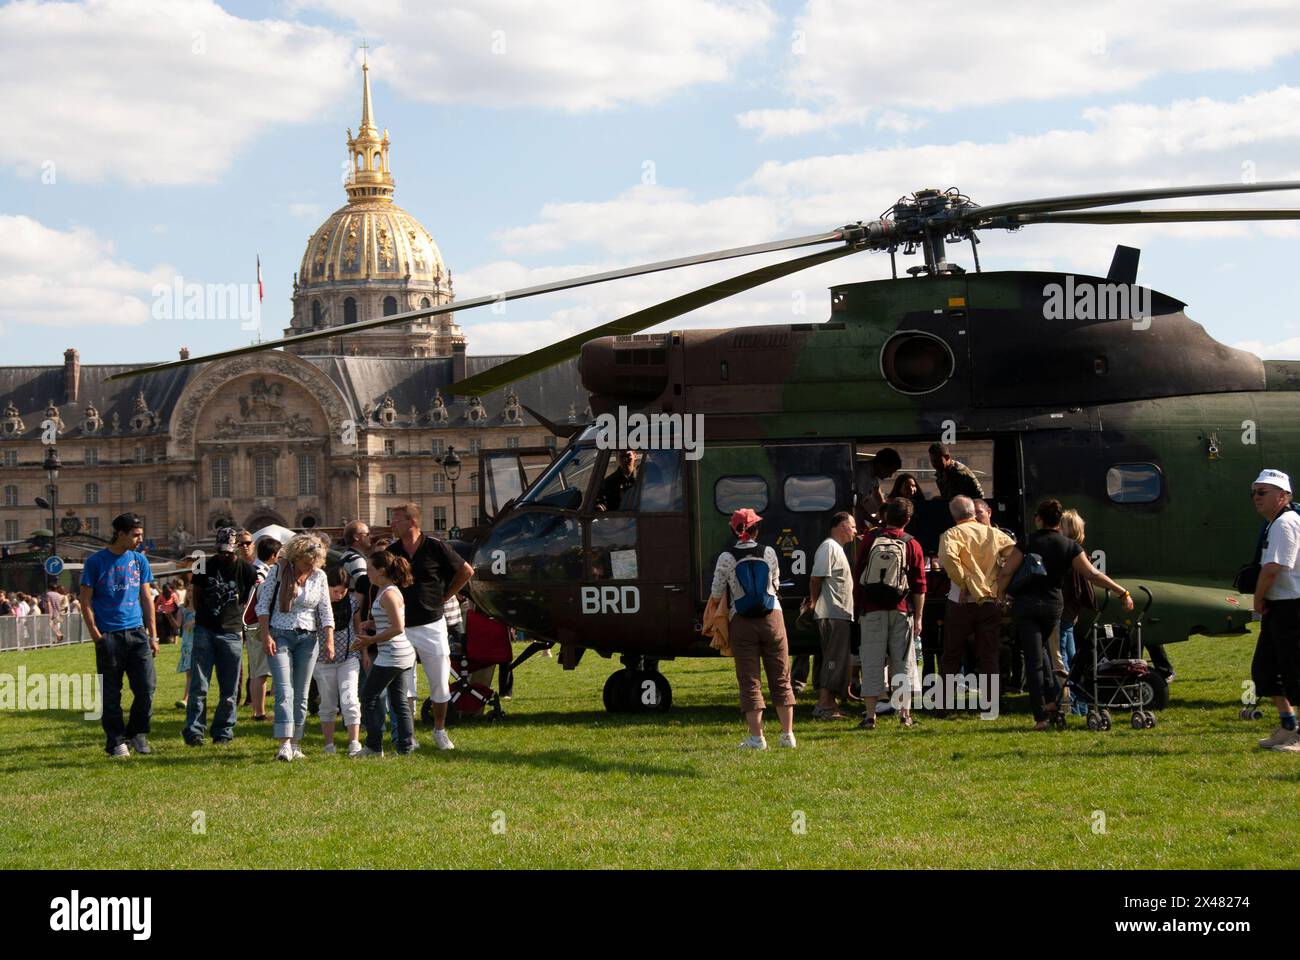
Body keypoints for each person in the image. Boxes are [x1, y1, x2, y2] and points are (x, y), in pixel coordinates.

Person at [1000, 499, 1133, 730]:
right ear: (1059, 520)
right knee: (1045, 654)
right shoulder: (1070, 546)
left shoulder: (1028, 541)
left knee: (1034, 660)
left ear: (1038, 519)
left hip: (1027, 605)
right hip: (1053, 606)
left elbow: (1007, 571)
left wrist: (999, 596)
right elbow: (1092, 575)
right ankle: (1053, 703)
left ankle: (1041, 716)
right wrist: (1122, 592)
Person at [386, 502, 474, 751]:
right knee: (405, 684)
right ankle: (408, 734)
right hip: (401, 626)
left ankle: (439, 729)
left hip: (432, 623)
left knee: (439, 681)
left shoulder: (436, 547)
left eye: (397, 519)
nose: (393, 524)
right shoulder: (393, 551)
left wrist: (447, 595)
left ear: (412, 522)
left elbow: (466, 571)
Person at [709, 507, 796, 749]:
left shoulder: (726, 557)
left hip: (742, 620)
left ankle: (757, 738)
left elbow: (716, 592)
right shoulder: (768, 552)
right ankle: (788, 735)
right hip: (773, 617)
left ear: (733, 530)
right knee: (781, 676)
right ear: (756, 529)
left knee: (749, 680)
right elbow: (776, 583)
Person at [79, 513, 158, 758]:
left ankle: (137, 733)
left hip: (137, 633)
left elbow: (146, 598)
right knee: (111, 692)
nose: (139, 540)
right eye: (135, 535)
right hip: (109, 635)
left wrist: (153, 634)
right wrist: (96, 634)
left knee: (146, 687)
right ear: (120, 534)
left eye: (141, 535)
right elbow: (85, 600)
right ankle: (115, 741)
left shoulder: (139, 561)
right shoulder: (95, 563)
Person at [257, 533, 333, 762]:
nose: (309, 566)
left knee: (301, 693)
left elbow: (325, 610)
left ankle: (297, 742)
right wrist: (266, 635)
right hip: (280, 634)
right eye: (305, 562)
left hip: (308, 639)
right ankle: (284, 743)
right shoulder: (277, 572)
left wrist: (328, 639)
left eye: (314, 562)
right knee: (283, 689)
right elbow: (263, 606)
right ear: (295, 557)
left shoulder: (319, 576)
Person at [937, 496, 1014, 712]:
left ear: (953, 515)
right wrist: (1001, 585)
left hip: (960, 601)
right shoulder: (996, 534)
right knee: (989, 653)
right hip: (990, 600)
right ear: (973, 512)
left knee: (952, 652)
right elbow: (1014, 557)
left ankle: (944, 703)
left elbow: (949, 559)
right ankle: (991, 703)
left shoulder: (951, 534)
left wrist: (963, 582)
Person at [855, 497, 926, 728]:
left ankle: (870, 716)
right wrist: (919, 618)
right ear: (908, 519)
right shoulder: (912, 543)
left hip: (872, 609)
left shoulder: (870, 539)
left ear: (885, 516)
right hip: (901, 609)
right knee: (903, 660)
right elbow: (919, 584)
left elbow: (859, 575)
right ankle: (905, 714)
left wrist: (860, 606)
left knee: (872, 659)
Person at [184, 527, 256, 745]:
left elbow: (247, 599)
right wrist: (202, 617)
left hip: (232, 632)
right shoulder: (202, 565)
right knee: (199, 685)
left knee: (229, 687)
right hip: (205, 629)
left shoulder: (246, 570)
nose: (224, 555)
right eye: (221, 551)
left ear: (234, 548)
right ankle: (194, 731)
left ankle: (223, 732)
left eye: (228, 551)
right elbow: (196, 594)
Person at [1249, 469, 1300, 752]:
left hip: (1292, 605)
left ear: (1282, 496)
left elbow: (1273, 568)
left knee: (1294, 670)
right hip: (1278, 605)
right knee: (1265, 671)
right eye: (1254, 492)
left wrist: (1257, 599)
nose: (1256, 498)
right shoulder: (1274, 523)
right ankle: (1287, 724)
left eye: (1262, 492)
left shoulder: (1286, 523)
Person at [354, 550, 417, 757]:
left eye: (370, 569)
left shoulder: (389, 593)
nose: (367, 574)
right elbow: (391, 621)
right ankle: (405, 747)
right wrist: (373, 623)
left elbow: (398, 627)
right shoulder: (386, 590)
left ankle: (374, 747)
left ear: (381, 571)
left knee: (368, 697)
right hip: (398, 653)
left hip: (393, 654)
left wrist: (370, 639)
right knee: (399, 701)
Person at [803, 511, 857, 720]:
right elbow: (816, 578)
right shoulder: (829, 547)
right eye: (852, 526)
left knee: (837, 659)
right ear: (842, 525)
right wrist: (814, 602)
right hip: (831, 612)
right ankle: (824, 706)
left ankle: (830, 703)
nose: (855, 531)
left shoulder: (837, 549)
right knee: (833, 659)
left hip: (839, 613)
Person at [318, 565, 363, 756]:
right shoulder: (318, 604)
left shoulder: (351, 603)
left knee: (350, 698)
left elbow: (358, 629)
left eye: (343, 591)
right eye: (335, 591)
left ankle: (354, 742)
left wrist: (364, 653)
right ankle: (329, 744)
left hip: (349, 657)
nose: (339, 595)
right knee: (328, 702)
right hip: (322, 661)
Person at [243, 536, 279, 719]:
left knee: (257, 669)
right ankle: (259, 712)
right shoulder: (260, 573)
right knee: (260, 671)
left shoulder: (254, 569)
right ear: (273, 555)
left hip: (252, 622)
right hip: (257, 622)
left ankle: (258, 710)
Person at [860, 447, 903, 526]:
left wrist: (886, 512)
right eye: (889, 471)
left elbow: (877, 492)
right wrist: (875, 522)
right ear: (880, 465)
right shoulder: (862, 474)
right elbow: (857, 506)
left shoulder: (874, 473)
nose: (890, 476)